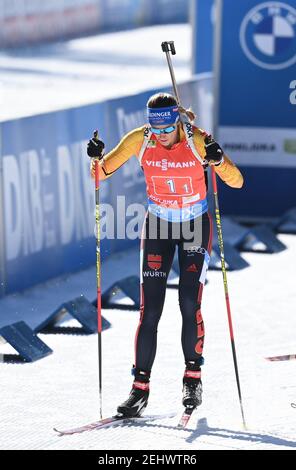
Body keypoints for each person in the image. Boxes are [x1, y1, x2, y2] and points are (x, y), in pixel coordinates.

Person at [87, 92, 243, 418]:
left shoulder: (198, 141)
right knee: (150, 309)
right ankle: (139, 390)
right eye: (155, 130)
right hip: (158, 227)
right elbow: (100, 175)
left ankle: (192, 378)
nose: (161, 136)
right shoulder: (138, 140)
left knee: (188, 301)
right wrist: (94, 158)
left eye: (167, 130)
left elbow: (237, 182)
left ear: (177, 123)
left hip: (194, 227)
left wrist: (218, 160)